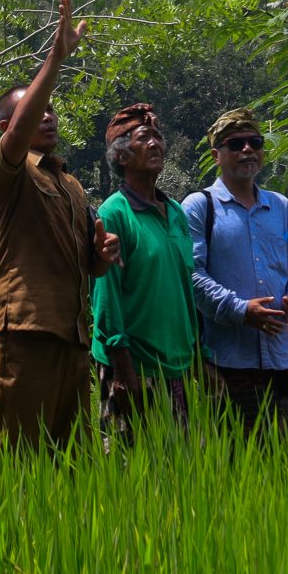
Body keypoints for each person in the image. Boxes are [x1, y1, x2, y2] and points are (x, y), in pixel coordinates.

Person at [0, 0, 120, 453]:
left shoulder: (71, 185)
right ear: (7, 125)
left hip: (72, 336)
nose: (48, 117)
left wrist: (100, 258)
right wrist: (54, 60)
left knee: (73, 466)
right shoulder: (5, 169)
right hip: (23, 331)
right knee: (23, 464)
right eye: (37, 111)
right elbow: (21, 128)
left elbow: (86, 266)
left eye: (52, 111)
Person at [182, 108, 288, 433]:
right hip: (225, 365)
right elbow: (192, 276)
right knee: (233, 467)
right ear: (216, 154)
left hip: (280, 361)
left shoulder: (281, 207)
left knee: (282, 464)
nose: (247, 150)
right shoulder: (199, 207)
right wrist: (241, 311)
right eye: (236, 144)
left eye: (254, 142)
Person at [92, 103, 199, 448]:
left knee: (178, 469)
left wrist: (198, 354)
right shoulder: (114, 213)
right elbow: (106, 297)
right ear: (122, 157)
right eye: (143, 138)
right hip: (133, 366)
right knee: (130, 470)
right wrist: (122, 369)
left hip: (177, 365)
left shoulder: (177, 213)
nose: (155, 144)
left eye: (158, 136)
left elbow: (184, 288)